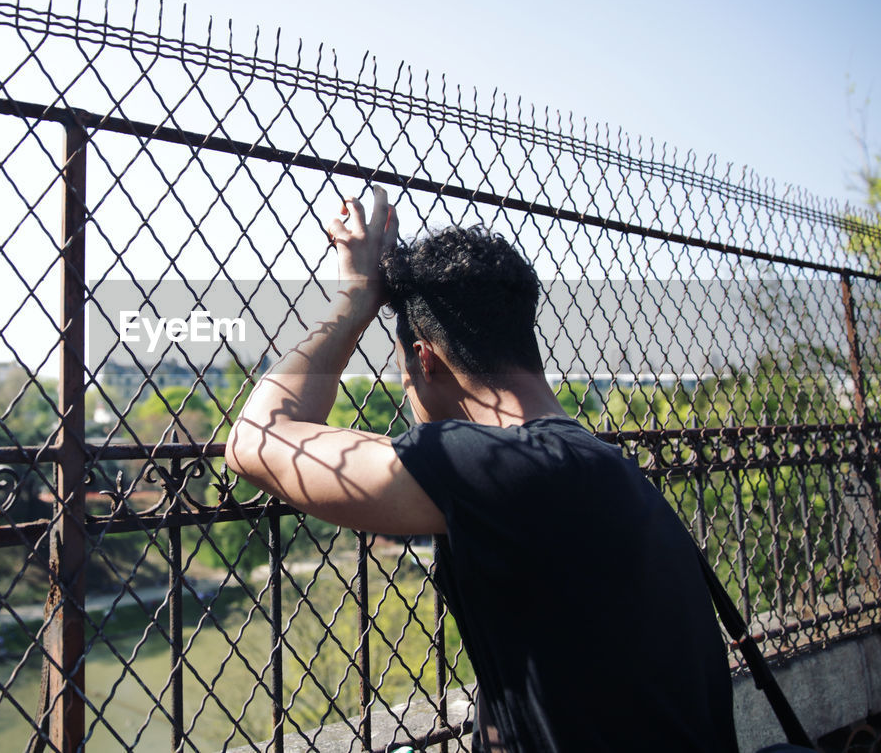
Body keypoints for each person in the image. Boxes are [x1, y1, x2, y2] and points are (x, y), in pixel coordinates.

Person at [224, 185, 739, 752]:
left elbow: (256, 439)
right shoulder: (607, 467)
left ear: (425, 358)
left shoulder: (495, 466)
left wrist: (353, 302)